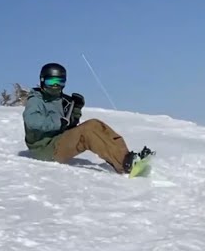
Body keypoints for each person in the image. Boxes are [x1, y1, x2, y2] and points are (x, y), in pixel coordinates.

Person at [22, 62, 152, 174]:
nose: (55, 86)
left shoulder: (61, 100)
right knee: (87, 132)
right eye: (51, 82)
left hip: (57, 141)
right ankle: (124, 164)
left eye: (59, 82)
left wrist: (76, 109)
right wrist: (58, 123)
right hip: (45, 149)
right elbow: (32, 121)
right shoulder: (36, 100)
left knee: (94, 124)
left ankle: (127, 157)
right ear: (42, 81)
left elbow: (70, 126)